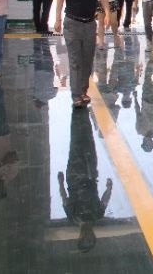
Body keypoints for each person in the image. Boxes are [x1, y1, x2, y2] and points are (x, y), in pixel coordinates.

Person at [54, 0, 110, 107]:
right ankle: (76, 95)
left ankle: (83, 91)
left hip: (90, 24)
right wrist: (57, 19)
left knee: (87, 60)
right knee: (75, 60)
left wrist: (107, 13)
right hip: (72, 24)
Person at [58, 107, 113, 253]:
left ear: (79, 237)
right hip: (90, 175)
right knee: (88, 142)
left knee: (76, 142)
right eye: (91, 239)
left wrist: (61, 182)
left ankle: (77, 112)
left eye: (85, 239)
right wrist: (109, 188)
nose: (88, 236)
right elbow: (104, 201)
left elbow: (65, 199)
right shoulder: (97, 215)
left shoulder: (73, 217)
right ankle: (84, 114)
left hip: (74, 176)